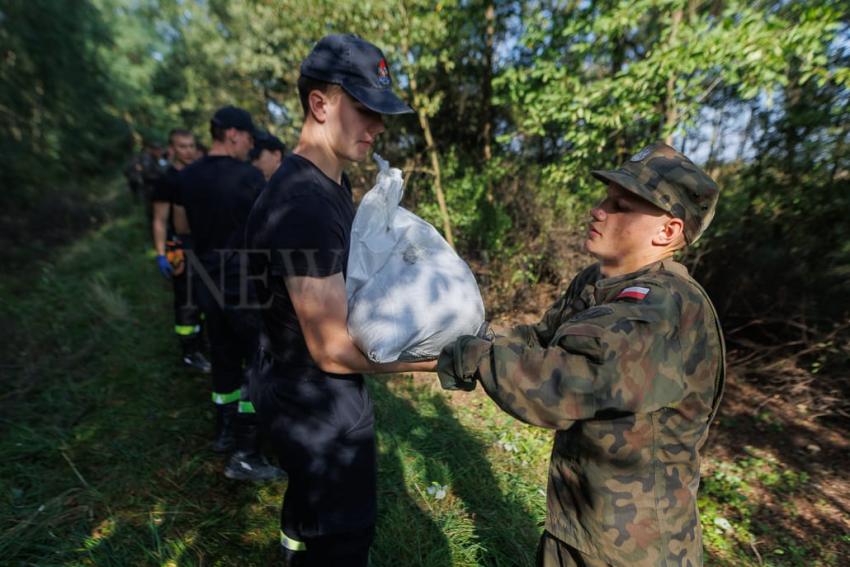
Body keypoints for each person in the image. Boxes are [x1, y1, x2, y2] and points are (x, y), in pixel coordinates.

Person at [436, 143, 726, 567]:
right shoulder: (598, 281)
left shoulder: (662, 308)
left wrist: (472, 356)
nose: (597, 210)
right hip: (579, 520)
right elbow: (539, 340)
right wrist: (457, 338)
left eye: (620, 205)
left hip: (633, 548)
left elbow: (559, 386)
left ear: (667, 232)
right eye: (604, 198)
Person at [245, 34, 435, 566]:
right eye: (365, 109)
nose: (377, 127)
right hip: (318, 409)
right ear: (320, 104)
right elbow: (331, 349)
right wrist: (442, 360)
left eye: (382, 113)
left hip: (290, 387)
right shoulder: (304, 202)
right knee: (344, 539)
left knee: (308, 515)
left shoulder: (329, 182)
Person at [172, 105, 284, 482]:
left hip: (206, 283)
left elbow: (183, 226)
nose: (250, 147)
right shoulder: (250, 178)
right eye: (249, 140)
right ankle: (247, 452)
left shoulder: (186, 177)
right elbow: (267, 232)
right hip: (245, 287)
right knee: (257, 365)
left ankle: (223, 431)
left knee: (222, 358)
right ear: (233, 134)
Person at [150, 128, 210, 373]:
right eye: (182, 146)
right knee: (186, 301)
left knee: (206, 296)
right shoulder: (167, 180)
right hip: (179, 247)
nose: (188, 151)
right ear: (172, 149)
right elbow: (159, 219)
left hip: (205, 244)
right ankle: (189, 353)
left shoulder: (201, 173)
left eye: (191, 145)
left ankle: (203, 343)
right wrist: (161, 253)